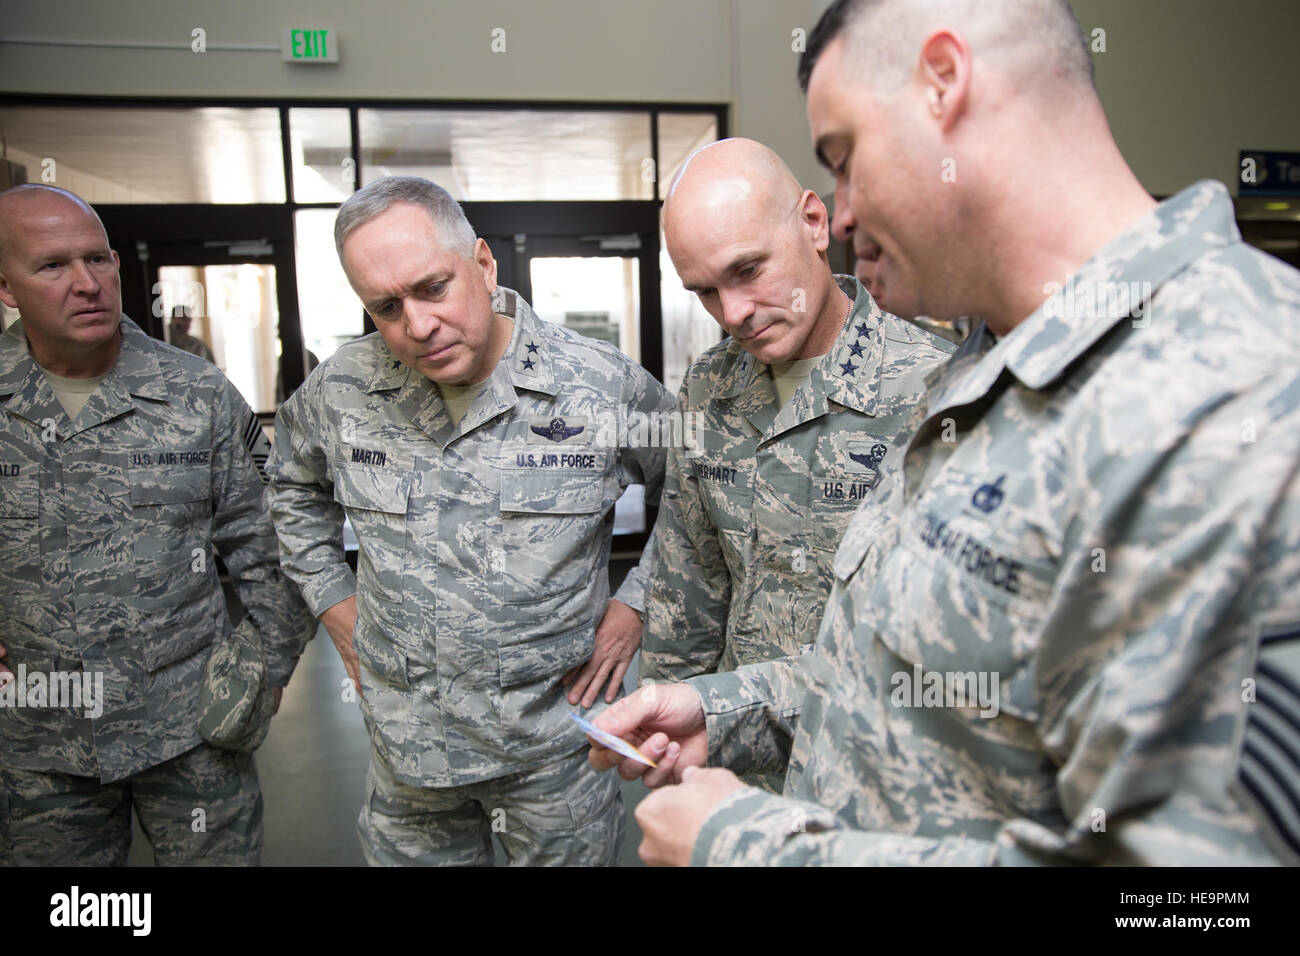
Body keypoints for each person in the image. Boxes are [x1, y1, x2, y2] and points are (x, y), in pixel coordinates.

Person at [588, 0, 1300, 866]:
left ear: (946, 85)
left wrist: (750, 849)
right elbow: (899, 680)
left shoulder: (1240, 390)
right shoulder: (983, 370)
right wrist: (726, 709)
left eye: (845, 160)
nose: (843, 216)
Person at [267, 176, 674, 866]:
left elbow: (692, 495)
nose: (417, 325)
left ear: (483, 265)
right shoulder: (341, 391)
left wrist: (636, 604)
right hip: (410, 755)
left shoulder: (599, 383)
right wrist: (334, 602)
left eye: (432, 288)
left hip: (558, 747)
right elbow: (289, 488)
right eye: (385, 307)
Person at [0, 184, 313, 866]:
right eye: (53, 266)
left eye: (98, 260)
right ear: (5, 286)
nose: (87, 284)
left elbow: (278, 551)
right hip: (36, 745)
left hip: (192, 731)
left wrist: (257, 677)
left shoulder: (195, 395)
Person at [640, 137, 954, 790]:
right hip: (728, 762)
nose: (734, 314)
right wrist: (665, 745)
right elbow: (686, 588)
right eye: (704, 292)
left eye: (747, 270)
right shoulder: (709, 387)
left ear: (814, 222)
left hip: (872, 773)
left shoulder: (936, 385)